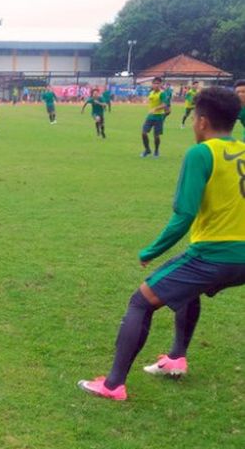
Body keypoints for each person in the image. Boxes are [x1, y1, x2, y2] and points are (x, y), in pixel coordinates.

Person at [78, 87, 245, 401]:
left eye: (196, 117)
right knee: (185, 288)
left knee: (140, 302)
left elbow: (184, 215)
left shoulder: (201, 153)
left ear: (202, 122)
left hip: (214, 255)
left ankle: (113, 385)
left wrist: (150, 251)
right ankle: (176, 358)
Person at [140, 77, 168, 158]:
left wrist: (155, 108)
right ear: (152, 84)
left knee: (156, 136)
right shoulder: (151, 92)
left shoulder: (162, 93)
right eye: (154, 83)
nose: (156, 85)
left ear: (161, 84)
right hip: (150, 116)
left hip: (159, 117)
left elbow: (164, 104)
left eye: (158, 83)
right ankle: (147, 150)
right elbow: (151, 101)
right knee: (144, 133)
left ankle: (156, 151)